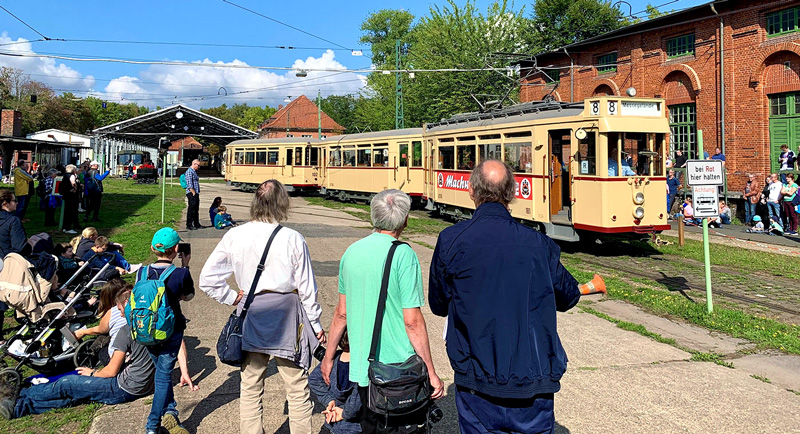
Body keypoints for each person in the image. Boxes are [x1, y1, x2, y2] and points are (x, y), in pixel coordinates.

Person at [428, 159, 580, 434]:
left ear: (472, 192)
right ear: (512, 193)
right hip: (533, 382)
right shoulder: (540, 244)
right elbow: (569, 296)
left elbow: (438, 304)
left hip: (477, 382)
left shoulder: (452, 240)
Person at [199, 179, 325, 434]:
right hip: (287, 316)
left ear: (255, 203)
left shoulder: (234, 235)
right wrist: (316, 324)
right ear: (282, 204)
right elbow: (307, 288)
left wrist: (233, 297)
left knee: (251, 383)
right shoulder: (293, 238)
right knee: (297, 387)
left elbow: (207, 279)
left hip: (252, 311)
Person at [322, 189, 443, 434]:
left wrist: (328, 357)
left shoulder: (351, 252)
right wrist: (431, 371)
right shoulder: (404, 254)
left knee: (371, 426)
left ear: (372, 217)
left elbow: (341, 314)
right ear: (406, 219)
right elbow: (412, 321)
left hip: (365, 368)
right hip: (400, 369)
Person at [0, 289, 154, 421]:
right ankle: (21, 405)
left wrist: (92, 373)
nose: (120, 315)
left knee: (68, 383)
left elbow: (111, 371)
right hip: (140, 385)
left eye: (120, 310)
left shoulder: (126, 331)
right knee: (75, 395)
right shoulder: (156, 325)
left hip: (123, 387)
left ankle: (19, 395)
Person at [139, 227, 195, 434]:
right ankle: (152, 426)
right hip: (171, 331)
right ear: (177, 249)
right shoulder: (180, 273)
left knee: (161, 375)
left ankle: (171, 410)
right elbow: (188, 296)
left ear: (154, 248)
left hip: (146, 331)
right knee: (163, 378)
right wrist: (186, 265)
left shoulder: (141, 272)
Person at [309, 330, 362, 434]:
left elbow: (314, 379)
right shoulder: (363, 364)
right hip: (357, 425)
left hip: (334, 423)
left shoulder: (334, 360)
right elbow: (358, 397)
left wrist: (329, 400)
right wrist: (344, 413)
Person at [0, 190, 27, 258]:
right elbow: (19, 247)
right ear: (5, 204)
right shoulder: (13, 220)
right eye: (14, 200)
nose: (17, 203)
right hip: (7, 260)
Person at [59, 164, 81, 234]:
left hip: (66, 195)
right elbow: (73, 182)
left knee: (67, 211)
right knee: (71, 211)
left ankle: (65, 227)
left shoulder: (65, 175)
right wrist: (75, 188)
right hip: (72, 196)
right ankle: (68, 227)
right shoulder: (71, 175)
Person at [185, 159, 201, 230]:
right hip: (191, 193)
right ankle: (189, 224)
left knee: (196, 209)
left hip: (196, 192)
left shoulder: (194, 172)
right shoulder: (189, 172)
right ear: (194, 164)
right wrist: (193, 192)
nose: (199, 167)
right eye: (198, 165)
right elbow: (189, 184)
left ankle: (196, 223)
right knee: (191, 209)